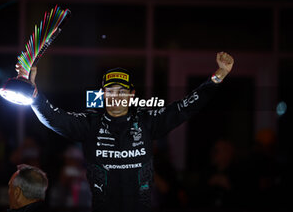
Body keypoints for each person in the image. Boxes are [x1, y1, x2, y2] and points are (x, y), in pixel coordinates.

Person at [17, 52, 234, 212]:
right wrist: (34, 94)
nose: (115, 95)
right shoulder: (90, 123)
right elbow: (54, 117)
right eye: (110, 91)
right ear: (102, 94)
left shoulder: (148, 121)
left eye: (121, 91)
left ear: (131, 95)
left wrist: (218, 77)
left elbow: (186, 107)